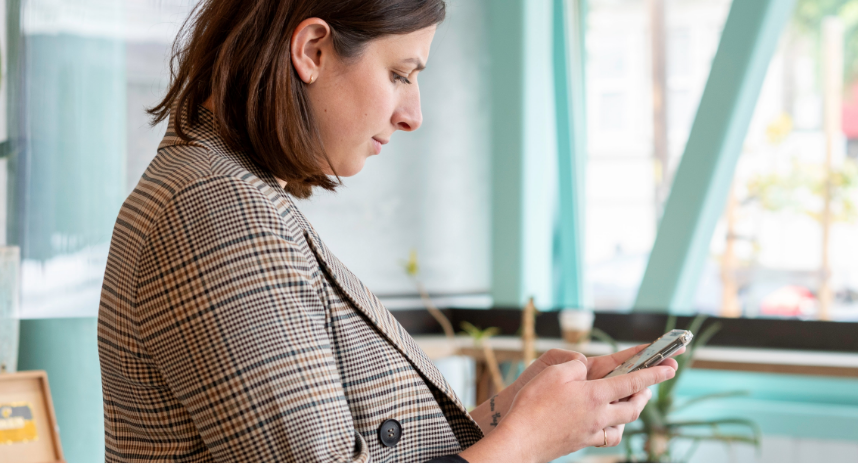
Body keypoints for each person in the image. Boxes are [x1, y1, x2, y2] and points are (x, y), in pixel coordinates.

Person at [96, 0, 680, 462]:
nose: (413, 114)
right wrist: (527, 443)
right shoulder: (216, 213)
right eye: (400, 73)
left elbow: (372, 448)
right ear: (313, 50)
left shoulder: (228, 195)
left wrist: (515, 411)